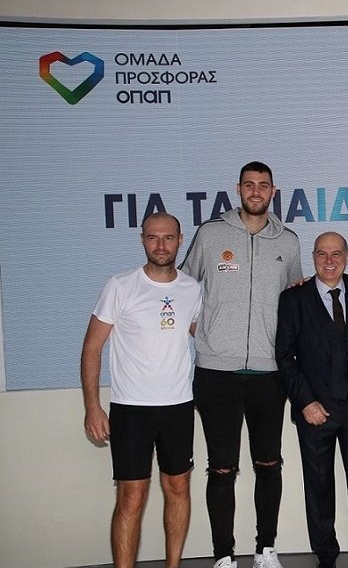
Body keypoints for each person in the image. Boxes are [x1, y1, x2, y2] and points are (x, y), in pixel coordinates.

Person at [180, 161, 303, 568]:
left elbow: (295, 300)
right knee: (221, 468)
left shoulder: (288, 241)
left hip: (269, 373)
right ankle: (223, 556)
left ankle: (266, 549)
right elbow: (182, 286)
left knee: (269, 463)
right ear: (238, 190)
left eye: (263, 185)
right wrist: (201, 328)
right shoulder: (211, 234)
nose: (256, 191)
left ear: (273, 192)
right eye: (249, 185)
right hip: (216, 373)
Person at [81, 212, 202, 568]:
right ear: (142, 240)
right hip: (131, 409)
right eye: (153, 237)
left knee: (178, 489)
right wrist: (92, 407)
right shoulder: (120, 286)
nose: (161, 245)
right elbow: (92, 348)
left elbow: (208, 339)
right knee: (131, 497)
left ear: (180, 240)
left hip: (179, 406)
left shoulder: (192, 289)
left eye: (168, 238)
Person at [275, 232, 348, 568]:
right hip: (315, 410)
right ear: (313, 257)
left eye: (336, 254)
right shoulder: (293, 299)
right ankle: (325, 553)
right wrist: (305, 402)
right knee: (318, 484)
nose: (329, 261)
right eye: (322, 254)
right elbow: (285, 356)